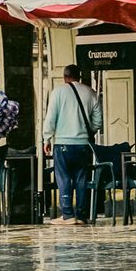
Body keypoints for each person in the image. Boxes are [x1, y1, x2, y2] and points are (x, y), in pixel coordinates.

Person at [42, 64, 103, 226]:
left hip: (62, 143)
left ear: (65, 77)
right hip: (83, 144)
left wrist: (46, 138)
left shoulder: (58, 92)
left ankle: (68, 214)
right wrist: (87, 131)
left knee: (63, 178)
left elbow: (51, 117)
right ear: (79, 76)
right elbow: (98, 121)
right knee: (81, 179)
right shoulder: (91, 93)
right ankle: (81, 215)